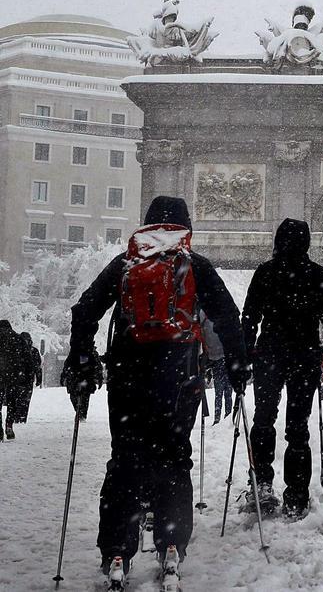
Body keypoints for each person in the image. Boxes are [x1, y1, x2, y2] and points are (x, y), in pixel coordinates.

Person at [61, 196, 247, 586]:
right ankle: (171, 543)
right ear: (185, 226)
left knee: (125, 459)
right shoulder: (194, 265)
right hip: (180, 377)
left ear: (146, 224)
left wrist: (82, 359)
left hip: (129, 377)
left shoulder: (126, 263)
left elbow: (84, 311)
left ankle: (116, 549)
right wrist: (237, 365)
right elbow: (228, 315)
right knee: (175, 458)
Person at [243, 218, 323, 519]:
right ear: (306, 243)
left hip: (270, 354)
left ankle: (261, 483)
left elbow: (249, 316)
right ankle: (296, 495)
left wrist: (245, 352)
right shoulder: (317, 274)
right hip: (304, 355)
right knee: (297, 427)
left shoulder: (265, 272)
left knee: (263, 419)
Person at [200, 314, 233, 423]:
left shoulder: (204, 316)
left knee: (222, 392)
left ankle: (222, 417)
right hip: (222, 358)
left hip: (220, 358)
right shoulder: (206, 316)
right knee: (223, 391)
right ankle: (223, 417)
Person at [9, 333, 42, 429]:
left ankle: (16, 417)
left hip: (16, 378)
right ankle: (22, 418)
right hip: (28, 379)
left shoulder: (15, 350)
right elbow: (37, 366)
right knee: (25, 400)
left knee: (16, 399)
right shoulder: (33, 351)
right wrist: (38, 378)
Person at [0, 320, 22, 439]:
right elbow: (26, 358)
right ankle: (9, 425)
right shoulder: (18, 339)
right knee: (11, 402)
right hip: (14, 375)